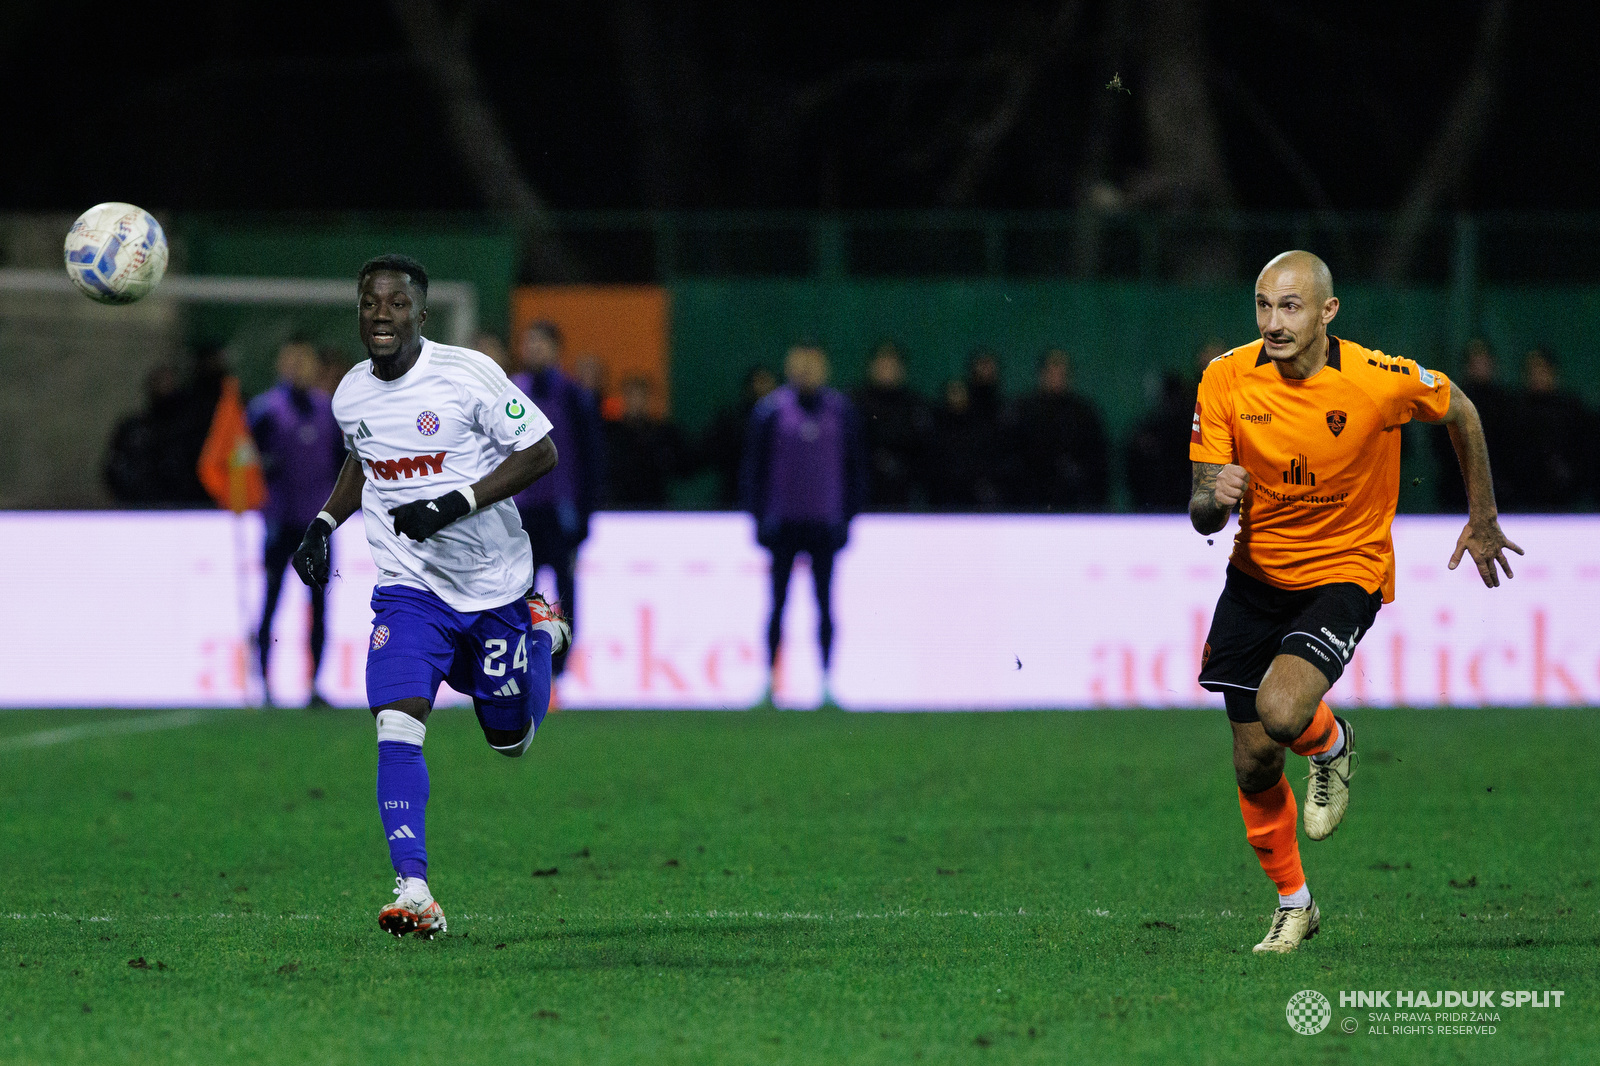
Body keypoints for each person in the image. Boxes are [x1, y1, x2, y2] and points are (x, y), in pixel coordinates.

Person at [1189, 250, 1520, 953]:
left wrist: (1482, 515)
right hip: (1255, 575)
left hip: (1347, 569)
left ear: (1327, 313)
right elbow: (1201, 507)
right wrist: (1211, 501)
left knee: (1282, 712)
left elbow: (1461, 407)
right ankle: (1295, 904)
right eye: (1262, 305)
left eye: (1290, 307)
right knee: (1252, 759)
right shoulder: (1225, 378)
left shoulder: (1375, 380)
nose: (1273, 322)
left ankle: (1333, 743)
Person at [290, 254, 570, 939]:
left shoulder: (466, 374)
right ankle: (414, 888)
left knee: (511, 742)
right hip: (409, 591)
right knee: (396, 721)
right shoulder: (350, 393)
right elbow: (364, 454)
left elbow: (541, 452)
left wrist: (457, 502)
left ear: (420, 312)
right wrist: (325, 522)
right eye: (369, 303)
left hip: (493, 586)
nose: (381, 314)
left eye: (395, 303)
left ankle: (539, 632)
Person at [741, 344, 866, 705]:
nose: (806, 372)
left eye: (813, 365)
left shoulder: (841, 412)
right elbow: (753, 470)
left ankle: (826, 682)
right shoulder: (770, 412)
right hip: (783, 524)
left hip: (824, 524)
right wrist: (759, 518)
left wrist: (847, 518)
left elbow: (856, 469)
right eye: (799, 365)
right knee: (777, 604)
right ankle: (769, 681)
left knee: (824, 604)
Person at [247, 337, 346, 706]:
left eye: (304, 360)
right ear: (280, 365)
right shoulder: (265, 411)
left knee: (319, 607)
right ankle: (265, 686)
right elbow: (244, 460)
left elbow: (343, 463)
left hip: (317, 526)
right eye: (291, 360)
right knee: (271, 602)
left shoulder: (329, 411)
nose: (298, 367)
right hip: (279, 522)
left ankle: (315, 686)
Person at [508, 320, 604, 676]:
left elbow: (591, 457)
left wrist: (585, 515)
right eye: (528, 342)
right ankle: (519, 670)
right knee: (517, 595)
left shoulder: (574, 395)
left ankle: (558, 674)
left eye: (540, 343)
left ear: (555, 350)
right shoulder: (511, 390)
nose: (532, 350)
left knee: (563, 597)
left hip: (560, 513)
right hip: (521, 514)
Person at [1012, 348, 1109, 510]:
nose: (1057, 377)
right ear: (1042, 373)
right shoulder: (1023, 411)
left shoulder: (1084, 413)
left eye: (1062, 372)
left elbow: (1097, 459)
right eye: (1052, 371)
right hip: (1031, 504)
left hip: (1074, 505)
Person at [1432, 339, 1517, 512]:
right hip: (1457, 491)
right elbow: (1440, 443)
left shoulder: (1507, 403)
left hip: (1502, 491)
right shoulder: (1451, 400)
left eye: (1484, 360)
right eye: (1475, 361)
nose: (1480, 365)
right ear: (1467, 365)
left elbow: (1513, 446)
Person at [1507, 347, 1591, 512]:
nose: (1538, 374)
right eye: (1533, 369)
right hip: (1524, 501)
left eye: (1542, 368)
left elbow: (1584, 452)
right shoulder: (1515, 411)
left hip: (1567, 501)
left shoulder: (1571, 409)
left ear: (1553, 372)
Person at [854, 340, 932, 510]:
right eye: (882, 362)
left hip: (905, 496)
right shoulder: (854, 402)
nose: (887, 368)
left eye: (892, 363)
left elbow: (924, 453)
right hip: (865, 493)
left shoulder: (915, 405)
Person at [603, 376, 689, 507]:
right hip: (620, 505)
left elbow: (680, 467)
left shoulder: (661, 432)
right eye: (632, 396)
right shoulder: (611, 432)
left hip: (654, 504)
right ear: (624, 398)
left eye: (641, 396)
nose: (636, 401)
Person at [701, 366, 779, 507]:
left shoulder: (783, 421)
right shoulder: (732, 419)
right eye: (759, 381)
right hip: (733, 494)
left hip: (774, 497)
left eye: (767, 382)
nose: (764, 388)